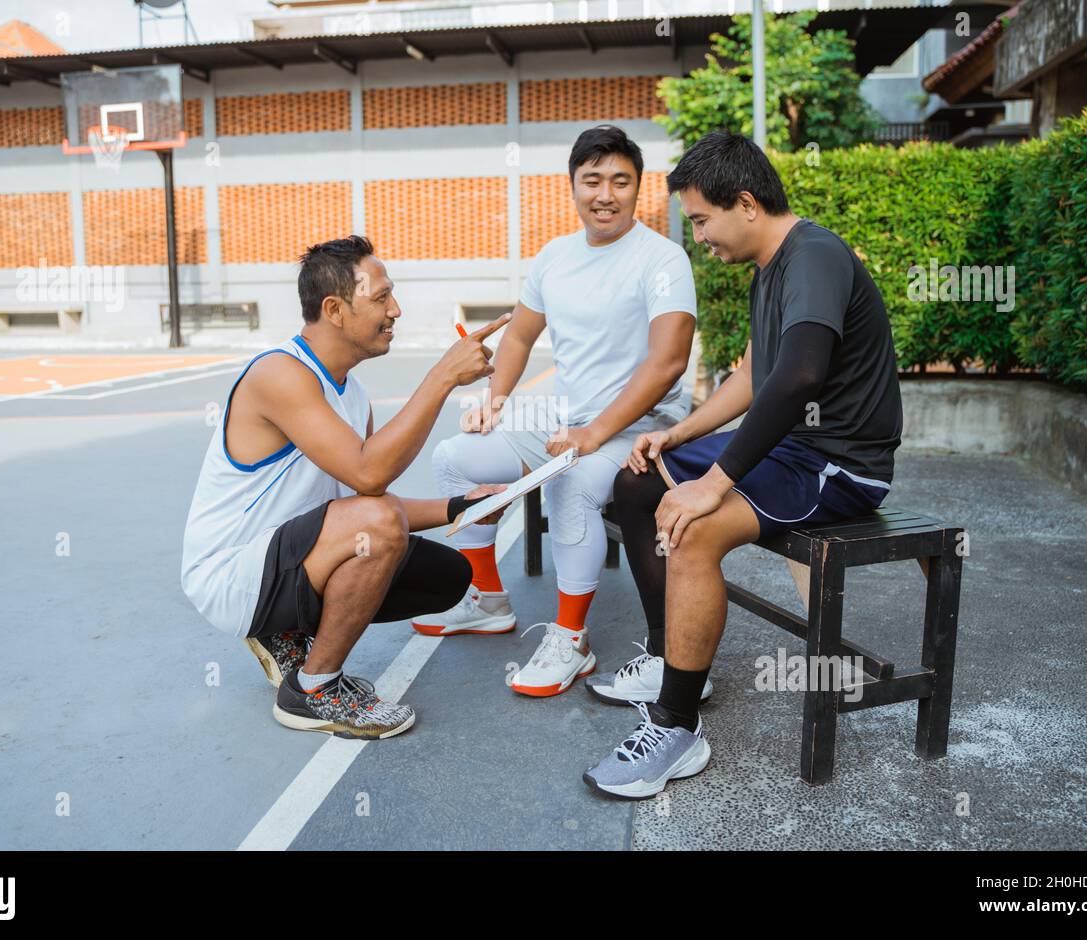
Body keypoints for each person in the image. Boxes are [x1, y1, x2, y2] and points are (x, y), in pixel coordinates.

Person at [584, 131, 903, 798]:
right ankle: (674, 657)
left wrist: (712, 484)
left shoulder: (814, 256)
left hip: (839, 466)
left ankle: (676, 727)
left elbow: (798, 379)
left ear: (748, 203)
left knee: (693, 523)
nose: (698, 237)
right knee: (638, 480)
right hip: (796, 449)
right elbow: (756, 376)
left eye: (702, 219)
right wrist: (679, 437)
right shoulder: (771, 269)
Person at [180, 235, 513, 740]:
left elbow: (362, 503)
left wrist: (458, 507)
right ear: (334, 309)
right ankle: (313, 689)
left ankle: (285, 629)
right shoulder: (280, 374)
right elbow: (370, 478)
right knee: (379, 527)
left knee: (446, 575)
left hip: (292, 555)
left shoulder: (352, 396)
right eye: (381, 298)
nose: (395, 310)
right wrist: (442, 377)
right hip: (231, 574)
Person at [416, 125, 698, 698]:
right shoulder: (555, 257)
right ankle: (488, 599)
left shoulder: (663, 258)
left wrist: (593, 434)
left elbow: (667, 363)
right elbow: (518, 339)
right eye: (592, 180)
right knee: (455, 459)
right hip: (564, 417)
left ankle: (572, 640)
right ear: (571, 186)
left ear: (639, 189)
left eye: (621, 181)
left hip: (641, 425)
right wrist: (492, 404)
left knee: (572, 486)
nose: (605, 194)